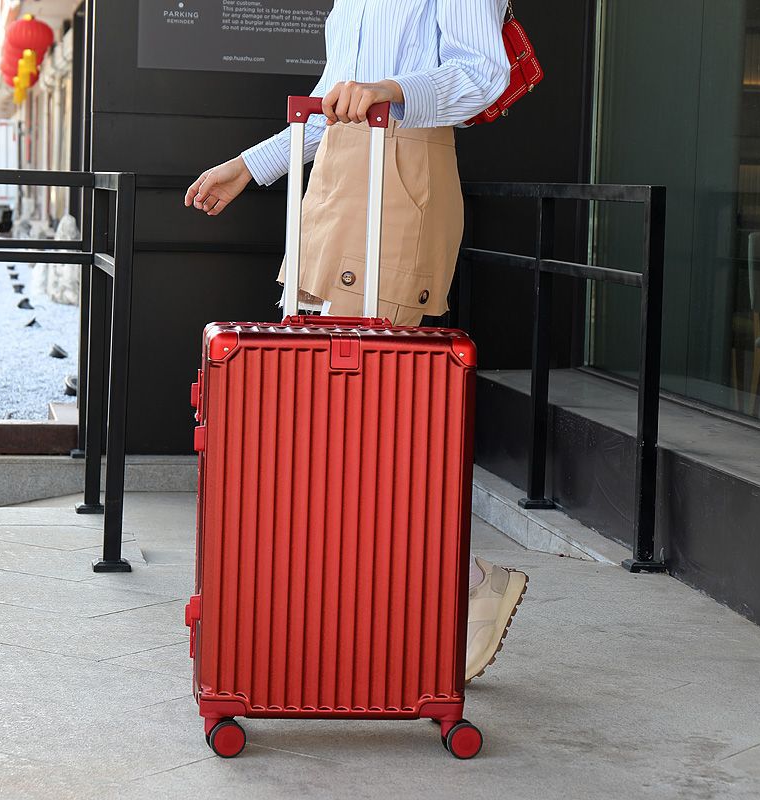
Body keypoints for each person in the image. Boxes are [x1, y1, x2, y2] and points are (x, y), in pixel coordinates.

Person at [185, 0, 528, 683]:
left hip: (400, 173)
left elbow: (482, 74)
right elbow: (335, 97)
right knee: (317, 415)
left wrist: (389, 90)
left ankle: (458, 585)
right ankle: (390, 600)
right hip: (337, 176)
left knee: (360, 417)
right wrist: (249, 166)